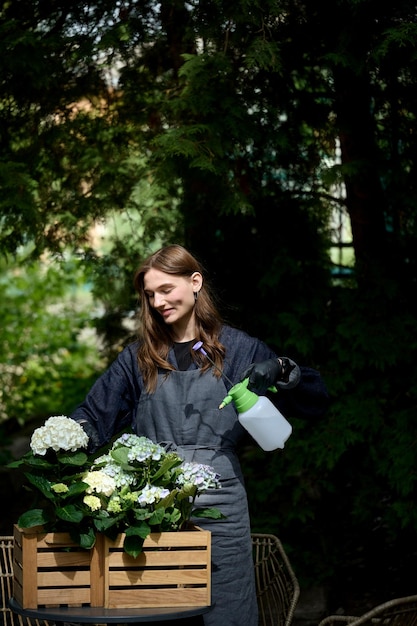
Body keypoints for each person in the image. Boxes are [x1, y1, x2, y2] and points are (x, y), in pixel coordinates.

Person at [71, 244, 328, 626]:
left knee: (228, 608)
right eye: (149, 294)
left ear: (195, 282)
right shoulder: (139, 358)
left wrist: (281, 369)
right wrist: (59, 441)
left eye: (165, 289)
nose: (157, 301)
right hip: (151, 503)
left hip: (221, 504)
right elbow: (94, 417)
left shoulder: (239, 350)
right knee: (155, 607)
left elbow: (315, 403)